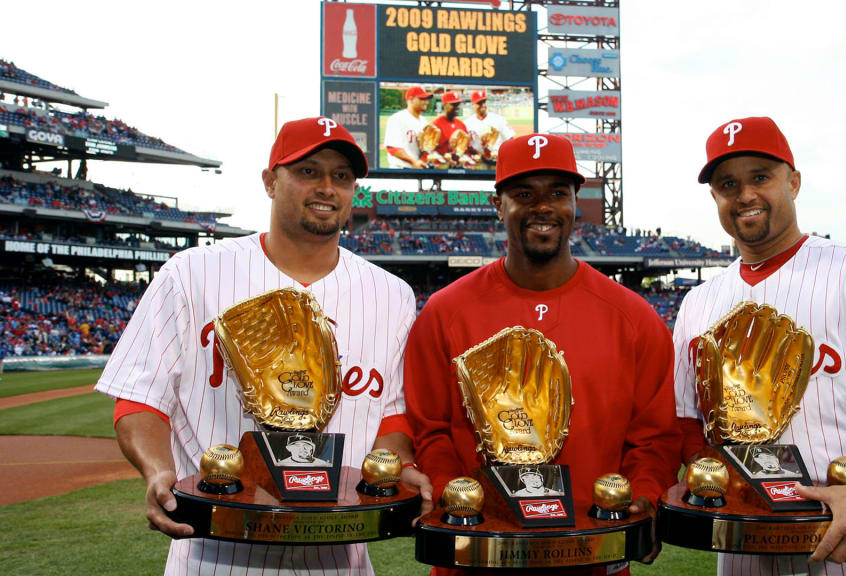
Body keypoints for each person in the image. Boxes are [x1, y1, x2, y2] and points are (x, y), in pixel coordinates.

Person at [95, 116, 432, 575]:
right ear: (271, 181)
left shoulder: (389, 293)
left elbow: (390, 413)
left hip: (339, 553)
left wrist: (397, 467)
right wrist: (157, 470)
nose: (327, 187)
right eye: (308, 171)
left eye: (342, 176)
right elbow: (139, 399)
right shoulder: (192, 273)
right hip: (217, 553)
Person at [673, 116, 846, 575]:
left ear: (794, 181)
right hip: (744, 556)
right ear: (715, 198)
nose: (744, 194)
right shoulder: (698, 303)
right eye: (728, 184)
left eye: (760, 177)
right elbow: (689, 424)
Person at [404, 133, 681, 575]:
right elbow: (430, 430)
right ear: (499, 205)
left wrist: (643, 495)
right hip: (478, 551)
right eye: (523, 194)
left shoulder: (634, 317)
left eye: (558, 192)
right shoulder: (445, 312)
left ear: (576, 202)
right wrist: (452, 494)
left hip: (592, 552)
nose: (543, 206)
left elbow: (654, 439)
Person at [383, 85, 432, 169]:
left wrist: (422, 161)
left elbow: (427, 149)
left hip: (418, 170)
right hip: (400, 171)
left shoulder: (424, 122)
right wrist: (413, 162)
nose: (426, 102)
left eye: (426, 99)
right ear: (411, 100)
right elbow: (392, 148)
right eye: (422, 99)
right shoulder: (397, 118)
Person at [464, 89, 515, 162]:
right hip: (477, 160)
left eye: (484, 102)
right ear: (473, 104)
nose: (483, 105)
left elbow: (511, 139)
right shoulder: (467, 123)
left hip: (496, 160)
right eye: (479, 103)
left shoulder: (498, 119)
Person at [431, 91, 469, 157]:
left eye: (458, 104)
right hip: (442, 164)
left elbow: (466, 148)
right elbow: (430, 151)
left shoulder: (462, 125)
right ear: (445, 105)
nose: (457, 107)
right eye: (453, 104)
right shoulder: (435, 125)